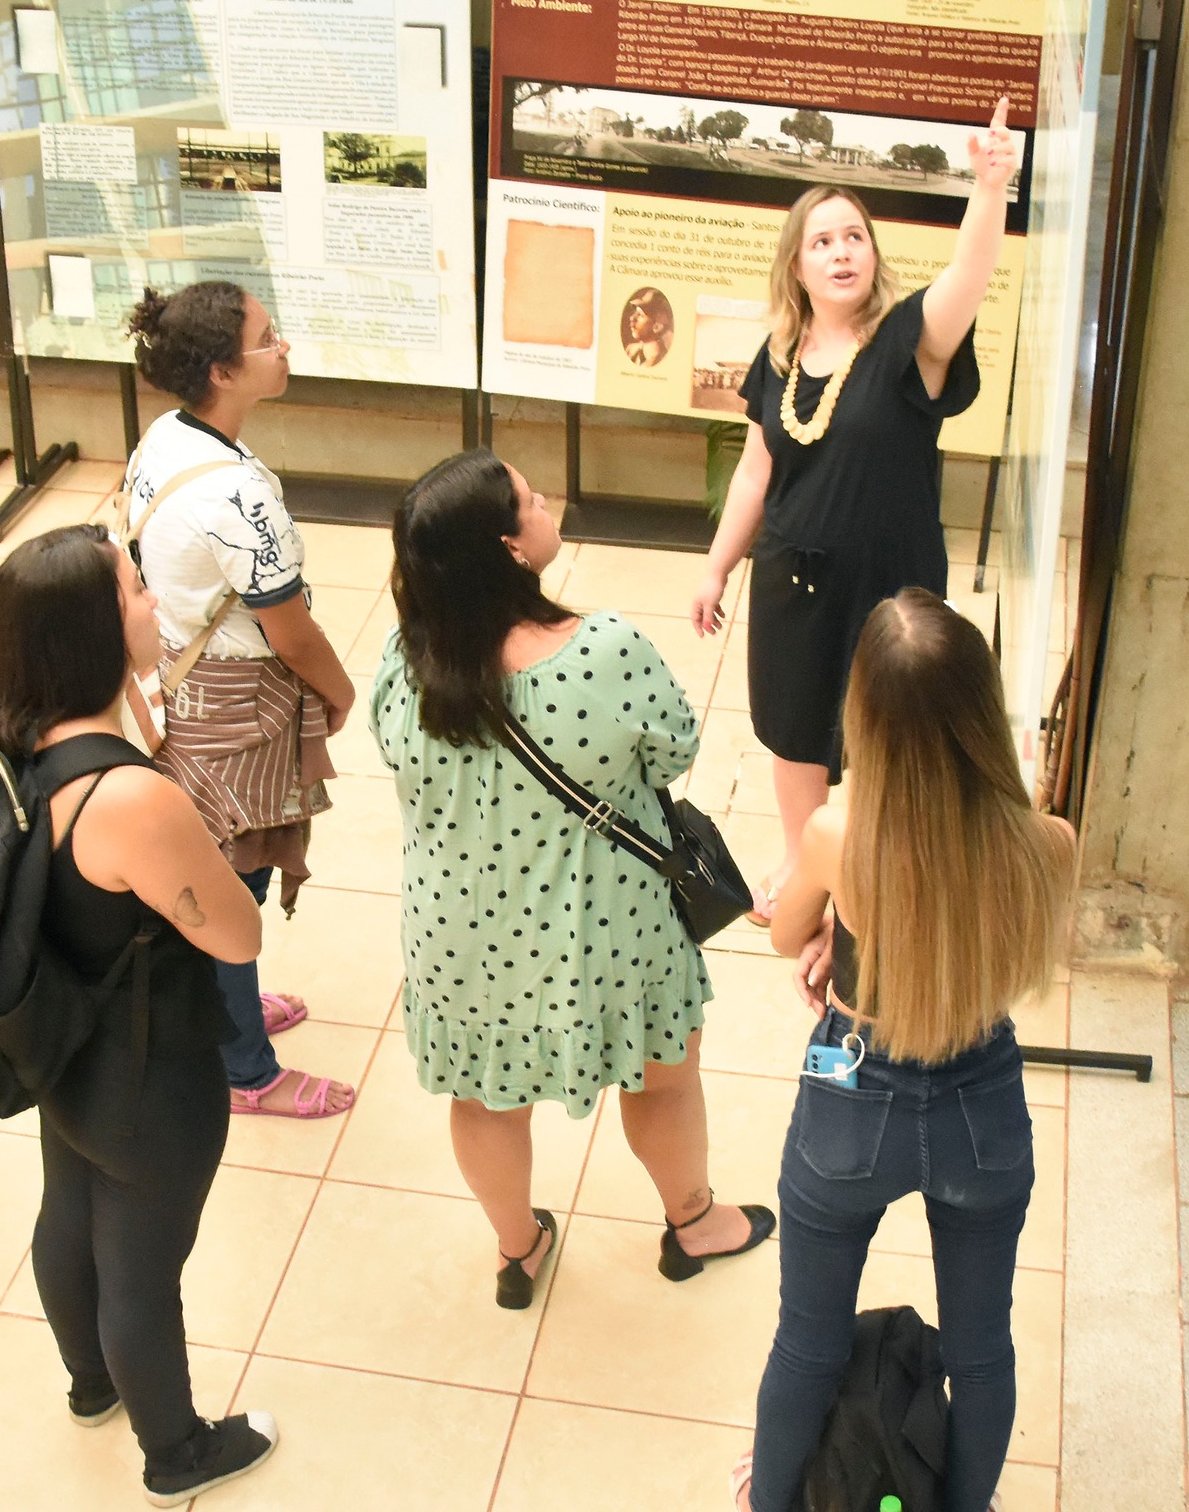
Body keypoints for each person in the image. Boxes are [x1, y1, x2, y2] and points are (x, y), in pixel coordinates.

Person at [371, 450, 774, 1307]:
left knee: (484, 1101)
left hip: (460, 939)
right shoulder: (603, 650)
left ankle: (518, 1248)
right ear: (511, 549)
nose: (544, 498)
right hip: (606, 930)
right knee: (661, 1078)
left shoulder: (402, 664)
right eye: (528, 498)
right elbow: (674, 746)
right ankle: (693, 1221)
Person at [734, 589, 1075, 1512]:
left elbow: (782, 934)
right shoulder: (1047, 842)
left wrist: (830, 936)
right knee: (982, 1352)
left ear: (867, 722)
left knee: (805, 1343)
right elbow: (993, 943)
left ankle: (770, 1500)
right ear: (980, 710)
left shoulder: (841, 834)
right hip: (980, 1108)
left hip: (854, 1094)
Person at [0, 524, 279, 1506]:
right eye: (136, 592)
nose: (155, 605)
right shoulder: (128, 799)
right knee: (143, 1267)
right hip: (148, 1073)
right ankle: (175, 1450)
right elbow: (235, 938)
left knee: (67, 1210)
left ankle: (89, 1385)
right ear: (92, 633)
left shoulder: (5, 745)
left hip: (59, 1046)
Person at [689, 101, 1020, 922]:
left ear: (875, 253)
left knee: (889, 737)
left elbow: (966, 281)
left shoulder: (912, 338)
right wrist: (716, 563)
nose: (842, 251)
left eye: (856, 236)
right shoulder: (778, 356)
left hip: (891, 591)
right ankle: (809, 870)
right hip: (793, 582)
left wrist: (990, 190)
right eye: (823, 240)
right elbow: (757, 471)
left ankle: (871, 879)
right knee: (797, 736)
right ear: (797, 265)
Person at [121, 281, 355, 1120]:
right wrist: (339, 689)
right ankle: (245, 1068)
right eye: (267, 337)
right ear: (222, 370)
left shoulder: (165, 437)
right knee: (232, 883)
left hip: (184, 678)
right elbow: (289, 632)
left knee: (221, 866)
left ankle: (231, 1013)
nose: (282, 344)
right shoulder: (238, 494)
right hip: (235, 700)